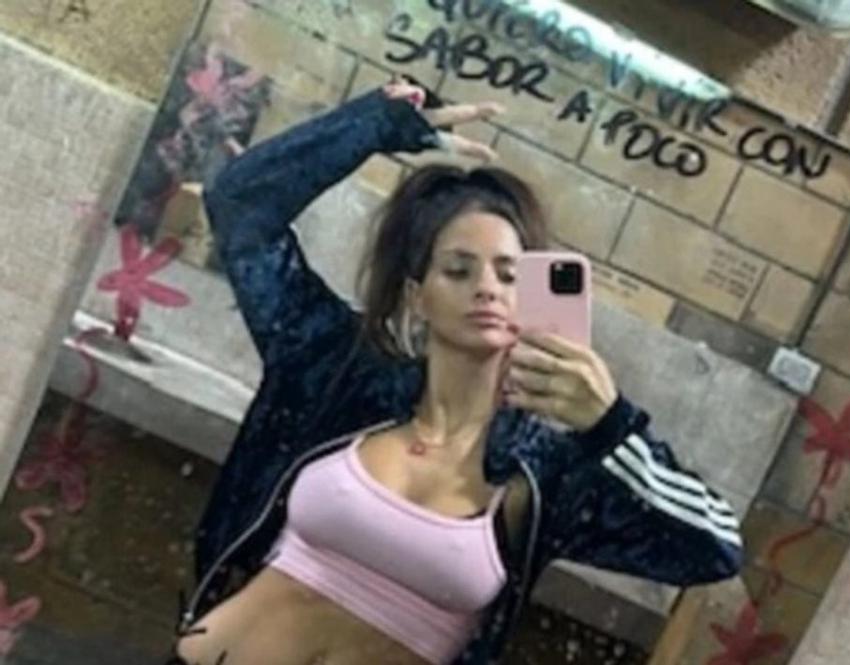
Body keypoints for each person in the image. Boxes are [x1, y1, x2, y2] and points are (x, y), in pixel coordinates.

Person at [167, 77, 743, 665]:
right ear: (417, 296)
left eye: (509, 274)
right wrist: (374, 125)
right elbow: (240, 206)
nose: (487, 288)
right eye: (459, 270)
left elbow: (715, 548)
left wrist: (611, 425)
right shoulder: (335, 368)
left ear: (531, 297)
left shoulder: (544, 471)